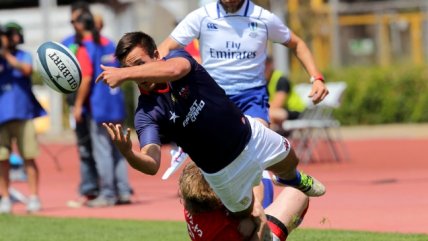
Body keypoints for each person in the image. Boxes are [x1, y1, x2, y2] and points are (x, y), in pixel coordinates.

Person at [97, 31, 325, 239]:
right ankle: (264, 229)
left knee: (290, 161)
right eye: (130, 68)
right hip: (222, 172)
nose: (137, 74)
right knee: (246, 218)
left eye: (139, 64)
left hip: (249, 135)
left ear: (157, 55)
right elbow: (152, 162)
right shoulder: (146, 112)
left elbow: (175, 70)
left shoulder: (178, 59)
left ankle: (289, 178)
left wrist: (124, 73)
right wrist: (128, 153)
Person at [159, 0, 328, 205]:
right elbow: (165, 48)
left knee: (257, 155)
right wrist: (150, 77)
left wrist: (316, 77)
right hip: (213, 100)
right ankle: (253, 205)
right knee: (218, 164)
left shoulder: (263, 18)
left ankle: (266, 217)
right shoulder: (201, 17)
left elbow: (297, 43)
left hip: (251, 97)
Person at [68, 9, 133, 207]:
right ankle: (123, 191)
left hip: (99, 106)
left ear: (80, 25)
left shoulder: (84, 47)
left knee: (102, 151)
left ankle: (107, 193)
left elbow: (86, 78)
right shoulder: (109, 44)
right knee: (119, 149)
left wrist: (78, 105)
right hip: (116, 103)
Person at [180, 161, 309, 241]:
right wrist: (258, 222)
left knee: (255, 171)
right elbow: (259, 215)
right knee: (299, 193)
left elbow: (256, 183)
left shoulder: (193, 198)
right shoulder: (224, 228)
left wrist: (252, 208)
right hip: (251, 236)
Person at [0, 22, 46, 213]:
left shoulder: (22, 55)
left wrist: (5, 54)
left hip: (23, 114)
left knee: (29, 156)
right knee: (2, 159)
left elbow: (27, 70)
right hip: (1, 117)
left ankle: (34, 197)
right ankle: (4, 198)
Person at [62, 1, 98, 207]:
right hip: (77, 106)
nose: (76, 24)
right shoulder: (67, 43)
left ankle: (108, 189)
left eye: (79, 19)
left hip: (94, 105)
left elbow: (87, 76)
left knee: (102, 149)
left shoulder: (96, 41)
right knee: (84, 149)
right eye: (72, 20)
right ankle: (90, 189)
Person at [265, 56, 306, 134]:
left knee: (268, 115)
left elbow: (277, 104)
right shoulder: (265, 80)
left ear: (270, 64)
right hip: (282, 111)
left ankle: (272, 140)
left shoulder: (281, 80)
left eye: (265, 64)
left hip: (295, 111)